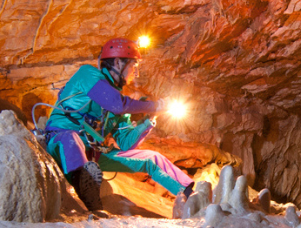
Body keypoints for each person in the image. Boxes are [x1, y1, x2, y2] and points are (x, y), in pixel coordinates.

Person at [44, 37, 194, 211]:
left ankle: (192, 197)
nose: (135, 73)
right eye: (133, 66)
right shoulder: (88, 75)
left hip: (92, 154)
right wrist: (156, 105)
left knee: (151, 158)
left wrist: (150, 120)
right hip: (60, 141)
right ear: (117, 62)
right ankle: (89, 192)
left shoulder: (119, 103)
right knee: (72, 139)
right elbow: (116, 104)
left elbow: (126, 143)